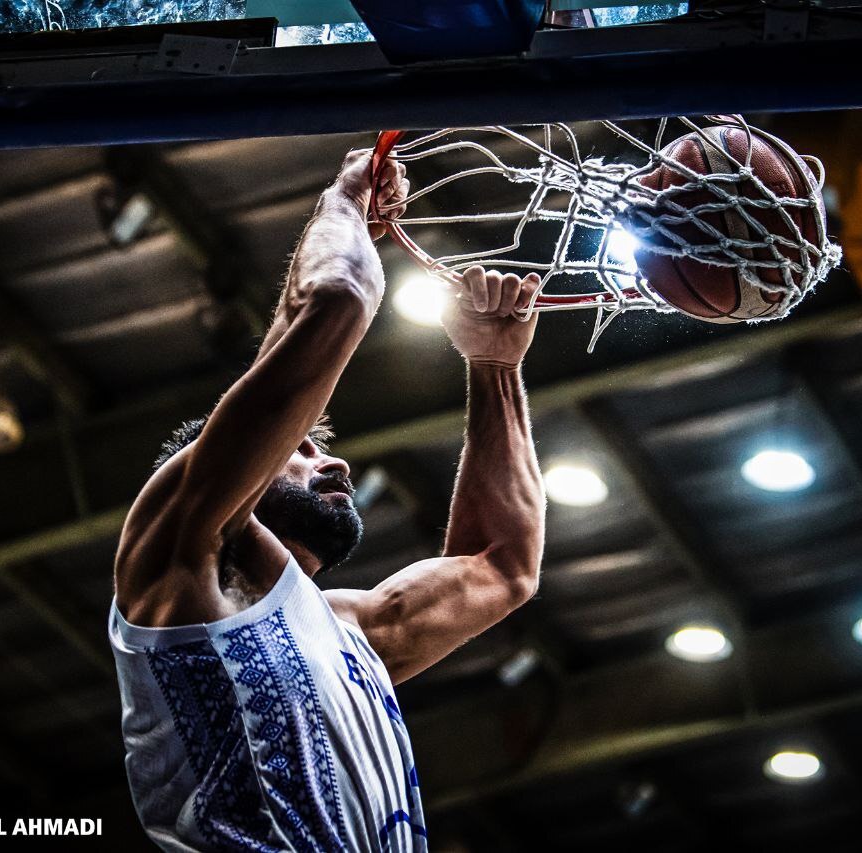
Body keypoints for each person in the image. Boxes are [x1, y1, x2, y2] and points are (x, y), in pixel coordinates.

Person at [109, 147, 546, 852]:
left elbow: (504, 565)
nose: (334, 456)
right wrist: (342, 199)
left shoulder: (352, 632)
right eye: (302, 446)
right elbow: (333, 300)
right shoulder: (179, 556)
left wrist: (494, 365)